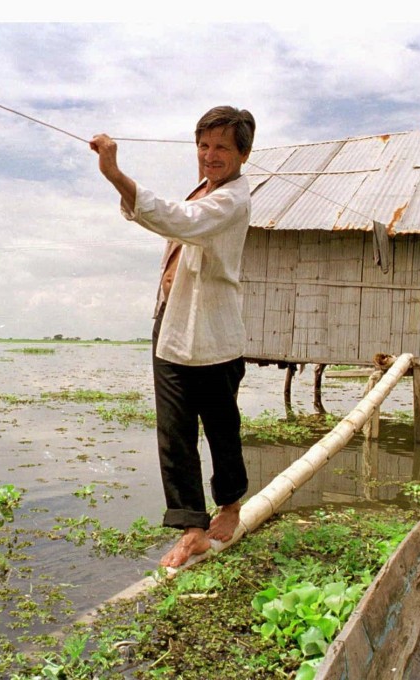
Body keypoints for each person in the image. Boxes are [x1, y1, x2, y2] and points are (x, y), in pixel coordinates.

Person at [90, 106, 255, 569]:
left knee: (222, 427)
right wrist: (122, 185)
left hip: (214, 332)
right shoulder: (205, 188)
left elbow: (180, 221)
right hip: (171, 325)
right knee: (174, 433)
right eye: (203, 145)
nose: (209, 155)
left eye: (222, 146)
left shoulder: (233, 199)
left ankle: (231, 508)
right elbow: (166, 218)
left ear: (244, 152)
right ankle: (192, 529)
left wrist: (114, 173)